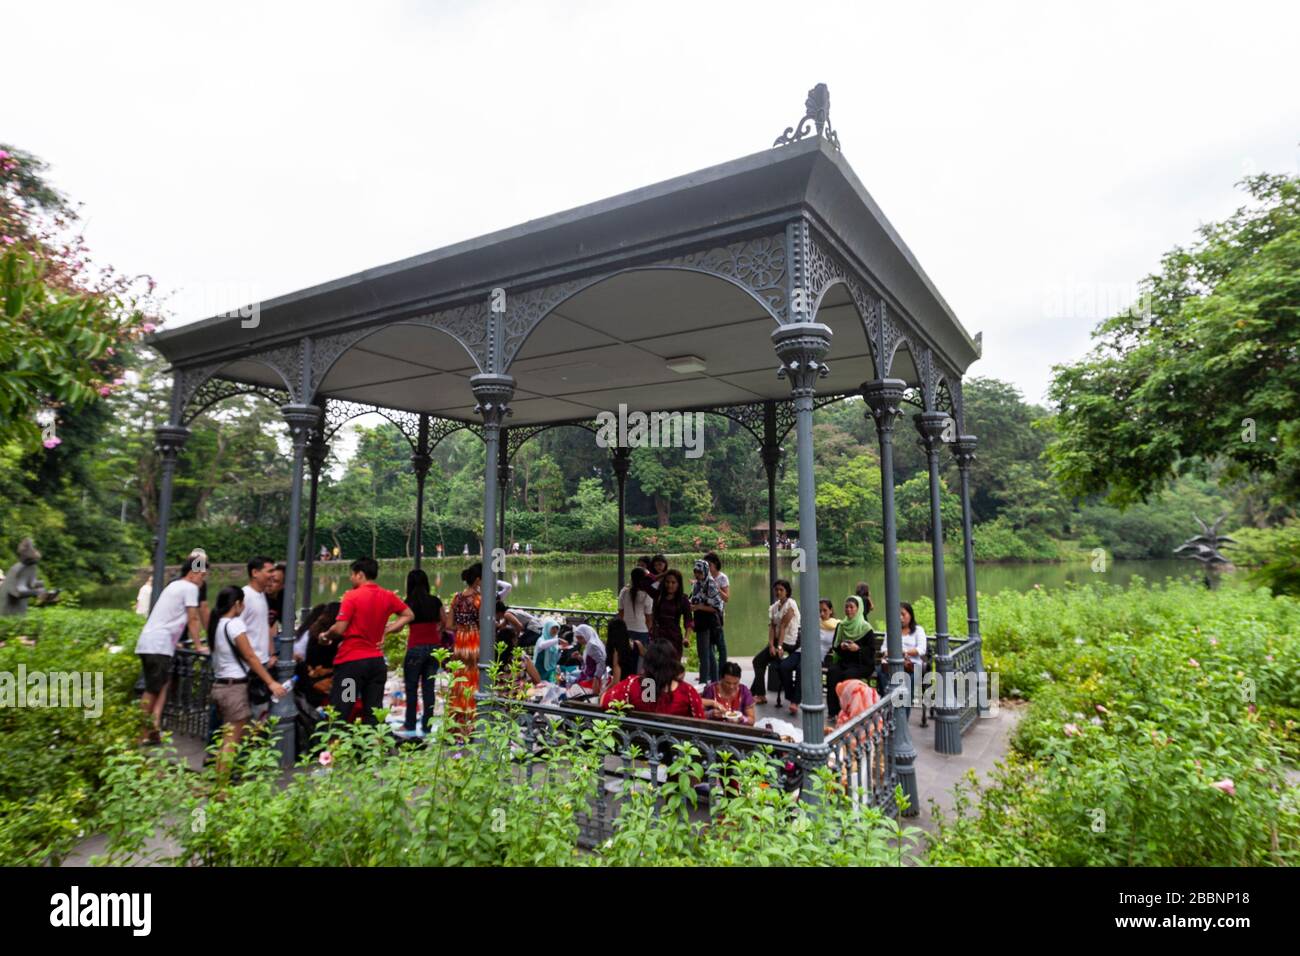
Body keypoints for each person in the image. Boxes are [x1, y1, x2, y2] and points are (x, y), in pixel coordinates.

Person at [323, 558, 413, 725]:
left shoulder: (352, 596)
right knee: (373, 712)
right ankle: (372, 748)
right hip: (376, 666)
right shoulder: (387, 596)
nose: (350, 578)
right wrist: (388, 629)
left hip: (352, 666)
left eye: (352, 574)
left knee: (343, 708)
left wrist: (325, 635)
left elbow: (340, 628)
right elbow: (408, 614)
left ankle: (338, 749)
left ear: (360, 574)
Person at [209, 585, 285, 779]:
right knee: (231, 741)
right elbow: (251, 656)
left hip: (220, 685)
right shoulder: (235, 625)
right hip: (234, 688)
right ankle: (222, 788)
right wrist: (271, 682)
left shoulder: (217, 623)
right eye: (242, 603)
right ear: (237, 604)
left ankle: (220, 781)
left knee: (228, 738)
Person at [135, 555, 208, 744]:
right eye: (202, 575)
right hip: (158, 645)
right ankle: (139, 734)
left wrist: (175, 641)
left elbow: (167, 616)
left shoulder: (174, 586)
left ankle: (153, 729)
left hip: (151, 642)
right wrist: (199, 646)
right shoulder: (190, 588)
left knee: (159, 685)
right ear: (193, 573)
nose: (203, 580)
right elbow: (193, 618)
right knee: (152, 689)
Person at [600, 639, 705, 719]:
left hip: (639, 744)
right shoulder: (687, 692)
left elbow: (604, 701)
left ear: (647, 662)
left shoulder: (633, 685)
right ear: (673, 663)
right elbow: (700, 723)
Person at [402, 569, 445, 735]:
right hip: (434, 647)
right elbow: (445, 621)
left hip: (415, 647)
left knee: (411, 687)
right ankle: (427, 725)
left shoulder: (408, 602)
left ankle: (410, 723)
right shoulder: (435, 601)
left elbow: (402, 621)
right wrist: (437, 632)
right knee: (429, 688)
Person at [827, 595, 877, 720]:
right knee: (833, 673)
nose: (848, 610)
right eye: (846, 607)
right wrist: (841, 646)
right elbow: (835, 646)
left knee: (848, 676)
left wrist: (858, 648)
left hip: (862, 663)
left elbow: (871, 651)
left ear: (858, 609)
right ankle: (834, 712)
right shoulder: (842, 626)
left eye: (851, 607)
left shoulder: (866, 628)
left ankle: (849, 711)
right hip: (845, 661)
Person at [240, 556, 277, 720]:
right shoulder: (244, 596)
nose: (273, 575)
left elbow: (264, 627)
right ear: (255, 572)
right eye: (269, 571)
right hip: (248, 664)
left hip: (261, 662)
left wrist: (271, 653)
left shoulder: (262, 596)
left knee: (259, 713)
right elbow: (236, 631)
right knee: (248, 712)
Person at [752, 579, 798, 704]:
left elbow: (783, 626)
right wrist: (771, 645)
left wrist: (778, 647)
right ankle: (759, 694)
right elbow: (772, 627)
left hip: (788, 643)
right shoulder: (774, 607)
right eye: (776, 589)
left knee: (760, 661)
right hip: (778, 641)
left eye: (781, 590)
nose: (778, 592)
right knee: (758, 661)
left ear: (787, 591)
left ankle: (757, 693)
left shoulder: (791, 605)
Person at [448, 563, 483, 725]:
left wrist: (461, 628)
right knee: (474, 677)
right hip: (474, 640)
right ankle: (472, 716)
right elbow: (484, 623)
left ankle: (457, 717)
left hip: (460, 641)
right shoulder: (478, 599)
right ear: (477, 580)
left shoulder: (456, 598)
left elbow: (449, 625)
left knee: (460, 678)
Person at [876, 602, 927, 708]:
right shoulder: (891, 630)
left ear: (910, 615)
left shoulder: (918, 630)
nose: (900, 617)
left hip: (911, 665)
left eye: (903, 614)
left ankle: (903, 704)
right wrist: (888, 652)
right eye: (898, 614)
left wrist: (904, 652)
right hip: (892, 663)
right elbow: (884, 648)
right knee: (880, 671)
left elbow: (921, 649)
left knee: (910, 678)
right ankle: (887, 700)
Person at [688, 559, 723, 686]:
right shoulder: (698, 583)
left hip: (708, 623)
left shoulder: (711, 584)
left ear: (705, 571)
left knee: (704, 654)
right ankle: (714, 682)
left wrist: (699, 607)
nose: (697, 574)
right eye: (695, 572)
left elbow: (717, 606)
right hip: (700, 621)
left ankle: (704, 683)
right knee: (708, 653)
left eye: (699, 572)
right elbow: (693, 599)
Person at [617, 567, 654, 673]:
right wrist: (649, 631)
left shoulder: (624, 591)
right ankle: (639, 685)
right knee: (640, 662)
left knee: (627, 660)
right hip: (642, 631)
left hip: (626, 631)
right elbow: (648, 618)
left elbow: (621, 612)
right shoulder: (647, 594)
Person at [650, 568, 689, 658]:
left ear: (678, 584)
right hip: (658, 637)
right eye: (667, 582)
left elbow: (688, 621)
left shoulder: (683, 599)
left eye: (673, 582)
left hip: (674, 637)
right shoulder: (658, 596)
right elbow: (646, 582)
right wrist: (663, 574)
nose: (669, 585)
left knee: (673, 667)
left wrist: (686, 638)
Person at [702, 661, 755, 725]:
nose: (731, 687)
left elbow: (752, 720)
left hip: (737, 731)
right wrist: (710, 714)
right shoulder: (711, 690)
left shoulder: (744, 691)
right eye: (727, 683)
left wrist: (743, 719)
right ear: (721, 679)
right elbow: (698, 713)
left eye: (735, 683)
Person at [704, 551, 730, 678]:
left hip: (717, 616)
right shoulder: (703, 578)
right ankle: (711, 672)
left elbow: (726, 598)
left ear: (715, 564)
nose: (708, 567)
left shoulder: (722, 578)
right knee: (708, 646)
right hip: (704, 614)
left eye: (709, 564)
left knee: (721, 645)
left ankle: (722, 672)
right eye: (706, 565)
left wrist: (716, 587)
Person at [604, 618, 636, 688]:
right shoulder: (636, 644)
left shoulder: (616, 653)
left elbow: (616, 681)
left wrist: (603, 693)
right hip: (634, 682)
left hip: (622, 686)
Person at [532, 619, 563, 683]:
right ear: (547, 628)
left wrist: (560, 650)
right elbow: (542, 645)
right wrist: (558, 640)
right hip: (540, 669)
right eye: (553, 628)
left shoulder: (554, 640)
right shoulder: (541, 639)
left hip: (550, 670)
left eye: (557, 629)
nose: (555, 630)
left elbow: (555, 659)